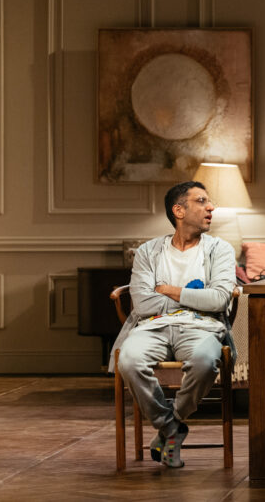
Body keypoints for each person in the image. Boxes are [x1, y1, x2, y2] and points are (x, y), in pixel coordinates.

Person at [108, 181, 236, 468]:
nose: (211, 208)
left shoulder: (220, 250)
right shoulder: (148, 251)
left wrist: (169, 290)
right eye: (201, 201)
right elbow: (143, 304)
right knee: (128, 361)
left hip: (202, 326)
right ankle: (170, 426)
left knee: (205, 362)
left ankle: (172, 423)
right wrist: (195, 298)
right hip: (152, 325)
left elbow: (218, 299)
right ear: (179, 211)